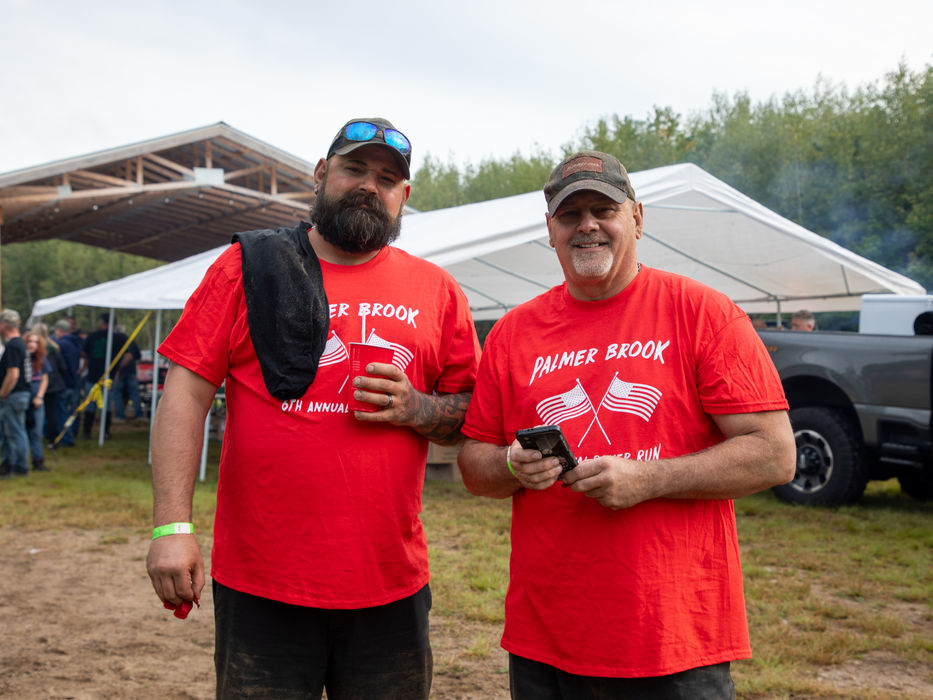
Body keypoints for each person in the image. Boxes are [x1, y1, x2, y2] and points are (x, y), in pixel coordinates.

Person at [146, 117, 481, 698]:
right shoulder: (248, 268)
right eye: (354, 168)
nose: (368, 186)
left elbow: (472, 415)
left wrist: (416, 408)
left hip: (389, 584)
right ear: (323, 173)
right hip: (263, 582)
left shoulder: (438, 290)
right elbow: (186, 393)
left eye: (387, 178)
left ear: (405, 195)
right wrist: (172, 527)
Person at [457, 151, 796, 699]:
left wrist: (648, 478)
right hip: (550, 639)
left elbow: (775, 454)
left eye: (603, 209)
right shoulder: (514, 332)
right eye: (571, 214)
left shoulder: (703, 313)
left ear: (637, 217)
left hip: (673, 639)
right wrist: (510, 466)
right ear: (551, 230)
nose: (587, 225)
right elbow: (474, 464)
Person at [81, 313, 127, 439]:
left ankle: (88, 432)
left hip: (97, 376)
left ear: (102, 322)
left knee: (92, 404)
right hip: (105, 377)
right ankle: (103, 432)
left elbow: (84, 353)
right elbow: (128, 355)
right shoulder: (117, 338)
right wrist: (118, 367)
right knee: (104, 405)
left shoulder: (95, 336)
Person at [0, 309, 33, 478]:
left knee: (14, 432)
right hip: (22, 394)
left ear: (4, 325)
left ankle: (19, 467)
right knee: (15, 431)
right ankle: (10, 464)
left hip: (14, 395)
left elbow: (13, 374)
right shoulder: (20, 344)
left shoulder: (13, 346)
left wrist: (2, 393)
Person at [24, 330, 52, 472]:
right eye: (29, 341)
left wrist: (39, 396)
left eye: (35, 342)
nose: (32, 344)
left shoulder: (42, 360)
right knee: (21, 432)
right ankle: (20, 462)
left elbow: (44, 379)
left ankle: (38, 460)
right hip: (23, 400)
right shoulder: (21, 358)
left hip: (36, 401)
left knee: (36, 432)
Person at [50, 319, 81, 446]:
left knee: (61, 412)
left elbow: (62, 366)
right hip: (74, 381)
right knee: (72, 410)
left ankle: (65, 438)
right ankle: (72, 433)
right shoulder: (76, 343)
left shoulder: (60, 345)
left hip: (63, 383)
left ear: (59, 330)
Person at [110, 324, 143, 420]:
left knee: (117, 393)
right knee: (134, 393)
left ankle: (119, 416)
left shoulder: (114, 340)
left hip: (118, 370)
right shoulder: (130, 340)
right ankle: (139, 415)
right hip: (131, 370)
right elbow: (138, 356)